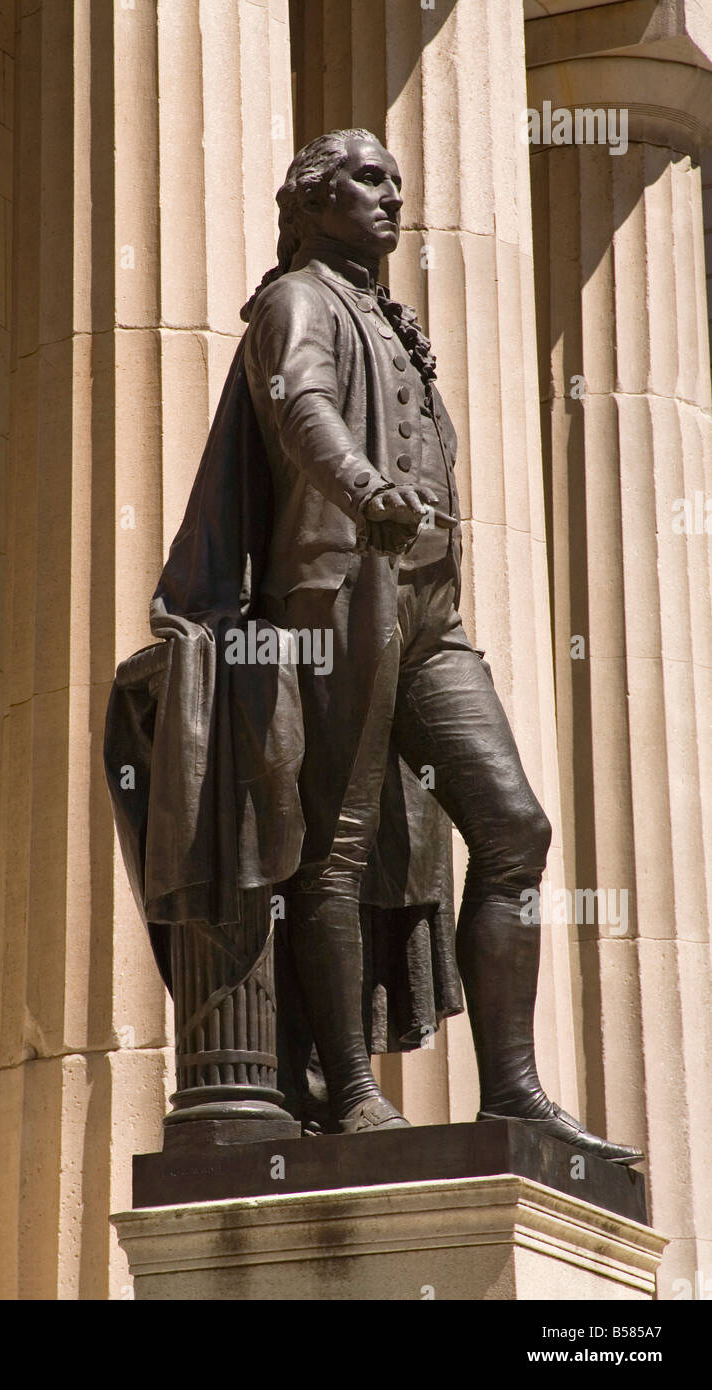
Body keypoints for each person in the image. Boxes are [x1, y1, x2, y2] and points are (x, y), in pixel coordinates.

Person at [239, 128, 641, 1162]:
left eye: (395, 182)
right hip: (335, 584)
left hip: (425, 607)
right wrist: (365, 488)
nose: (390, 197)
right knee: (333, 841)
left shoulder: (388, 317)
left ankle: (508, 1087)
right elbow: (301, 407)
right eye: (366, 181)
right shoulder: (299, 301)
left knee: (514, 827)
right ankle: (348, 1090)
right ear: (313, 200)